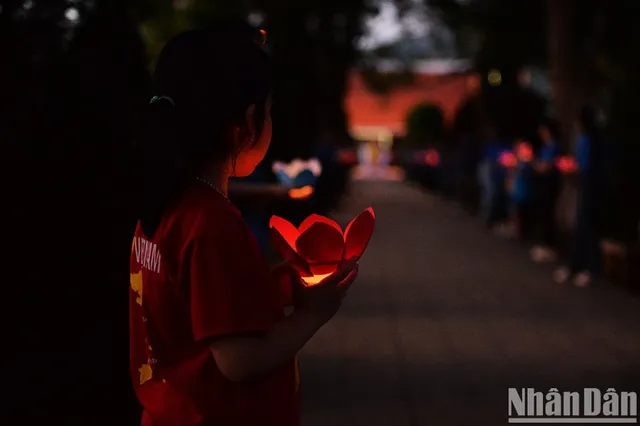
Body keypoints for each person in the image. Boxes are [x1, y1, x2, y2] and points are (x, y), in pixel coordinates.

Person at [130, 22, 359, 426]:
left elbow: (199, 304)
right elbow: (239, 359)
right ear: (248, 124)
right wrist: (315, 314)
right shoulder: (212, 223)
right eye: (270, 111)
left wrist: (285, 284)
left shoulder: (165, 205)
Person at [553, 106, 604, 287]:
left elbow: (583, 166)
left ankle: (584, 267)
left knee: (584, 228)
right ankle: (581, 266)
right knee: (586, 227)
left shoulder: (586, 139)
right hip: (593, 188)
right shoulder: (595, 138)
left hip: (587, 188)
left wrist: (569, 168)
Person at [530, 120, 561, 262]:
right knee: (541, 213)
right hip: (542, 184)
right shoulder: (544, 147)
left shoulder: (554, 146)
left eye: (543, 130)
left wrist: (541, 166)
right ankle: (541, 244)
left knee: (548, 214)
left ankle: (548, 246)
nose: (541, 134)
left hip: (550, 185)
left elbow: (548, 165)